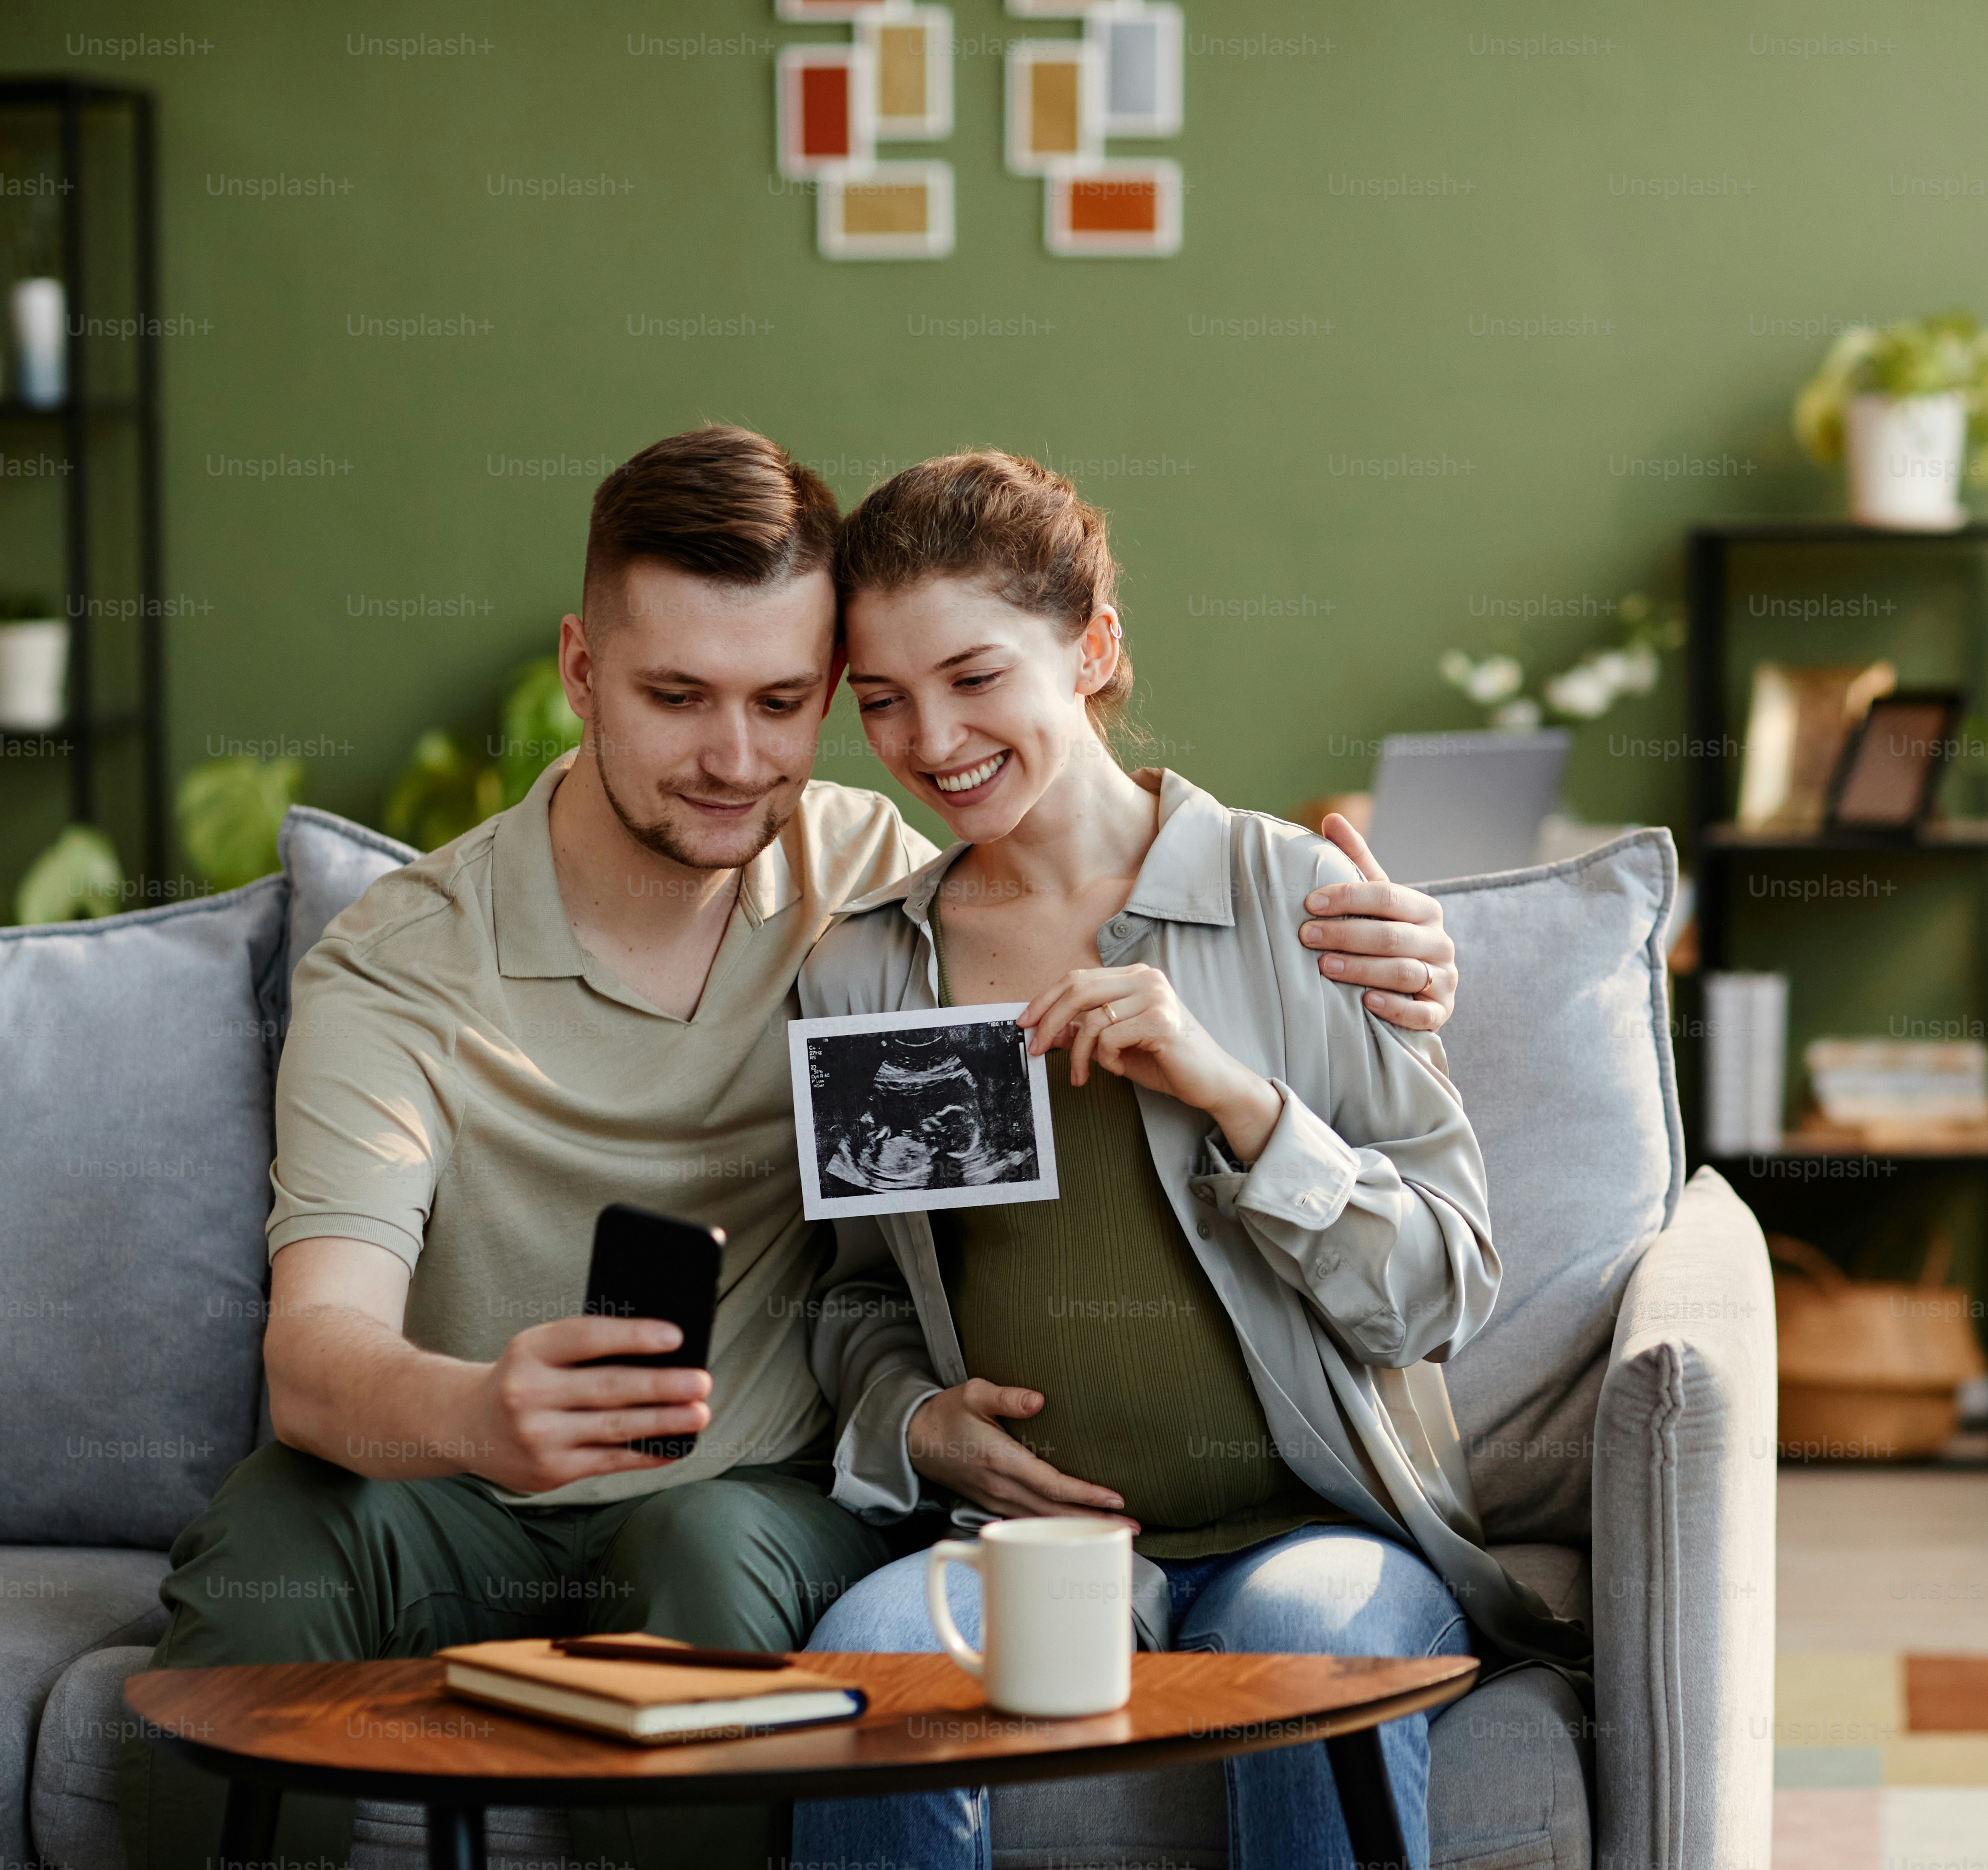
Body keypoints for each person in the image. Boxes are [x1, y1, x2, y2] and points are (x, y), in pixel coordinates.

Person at [119, 427, 1464, 1870]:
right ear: (581, 674)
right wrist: (479, 1414)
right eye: (677, 697)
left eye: (787, 702)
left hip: (747, 1507)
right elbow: (322, 1353)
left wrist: (1403, 963)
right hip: (454, 1486)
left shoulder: (874, 890)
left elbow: (1119, 874)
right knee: (264, 1577)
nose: (736, 759)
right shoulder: (448, 962)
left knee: (717, 1565)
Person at [788, 451, 1589, 1870]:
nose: (931, 737)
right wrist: (915, 1420)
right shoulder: (868, 974)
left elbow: (1443, 1290)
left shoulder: (1301, 902)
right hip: (1029, 1551)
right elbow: (853, 1301)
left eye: (976, 678)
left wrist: (1238, 1101)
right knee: (866, 1673)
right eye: (885, 701)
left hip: (1320, 1530)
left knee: (1294, 1649)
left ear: (1094, 648)